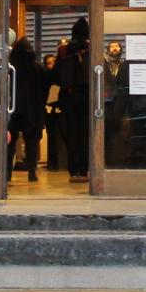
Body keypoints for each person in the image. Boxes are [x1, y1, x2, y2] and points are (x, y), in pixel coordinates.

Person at [55, 18, 92, 181]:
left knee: (71, 134)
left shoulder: (63, 50)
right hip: (88, 95)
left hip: (68, 96)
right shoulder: (91, 47)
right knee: (86, 134)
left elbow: (55, 74)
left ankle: (73, 170)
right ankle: (84, 171)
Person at [6, 39, 48, 181]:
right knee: (31, 141)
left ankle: (7, 174)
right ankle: (32, 172)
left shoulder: (11, 68)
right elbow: (45, 89)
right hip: (33, 109)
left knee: (10, 141)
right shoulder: (38, 68)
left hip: (13, 108)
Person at [41, 51, 63, 172]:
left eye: (54, 61)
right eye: (49, 63)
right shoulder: (45, 77)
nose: (52, 64)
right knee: (52, 136)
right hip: (49, 110)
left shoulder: (62, 75)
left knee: (65, 135)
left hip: (60, 108)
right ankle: (52, 163)